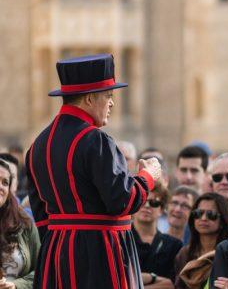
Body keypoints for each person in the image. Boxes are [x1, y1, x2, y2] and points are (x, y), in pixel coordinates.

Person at [26, 54, 162, 288]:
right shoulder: (95, 140)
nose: (112, 103)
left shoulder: (38, 145)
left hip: (55, 253)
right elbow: (122, 200)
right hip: (101, 252)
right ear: (89, 98)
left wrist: (59, 242)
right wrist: (148, 176)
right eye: (108, 96)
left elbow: (40, 214)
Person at [174, 193, 228, 289]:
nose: (203, 218)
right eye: (198, 213)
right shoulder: (184, 253)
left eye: (211, 214)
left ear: (222, 221)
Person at [132, 183, 182, 287]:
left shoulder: (174, 245)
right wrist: (155, 279)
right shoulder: (119, 239)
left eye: (154, 202)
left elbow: (171, 285)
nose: (147, 206)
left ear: (162, 209)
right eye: (142, 201)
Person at [0, 159, 40, 289]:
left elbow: (42, 268)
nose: (1, 186)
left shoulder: (25, 224)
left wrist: (16, 285)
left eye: (5, 182)